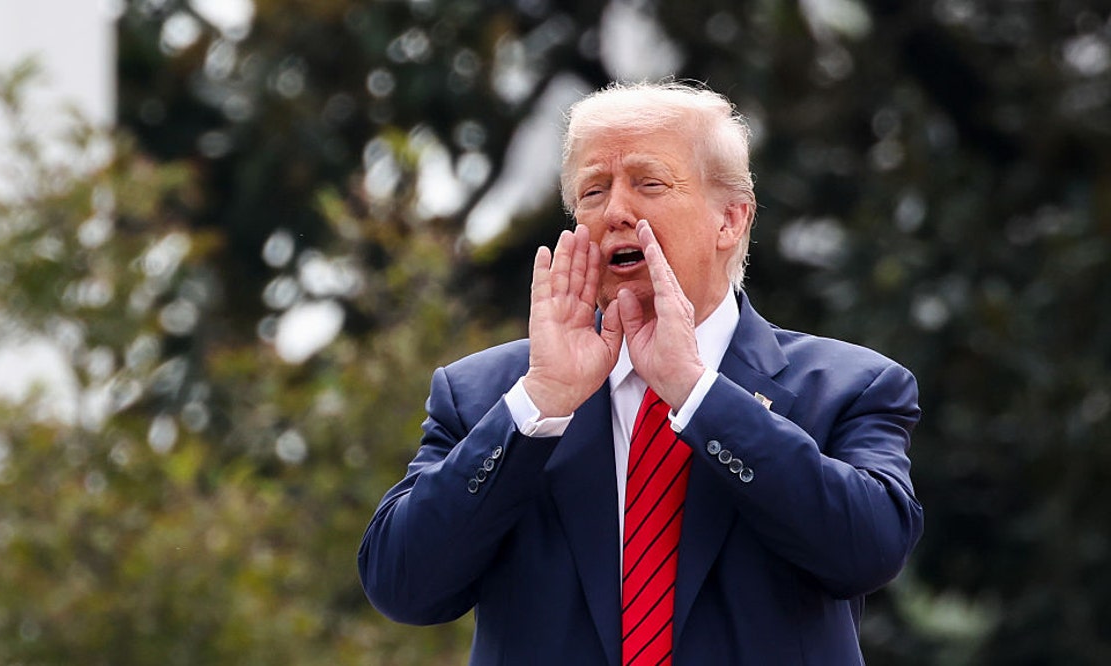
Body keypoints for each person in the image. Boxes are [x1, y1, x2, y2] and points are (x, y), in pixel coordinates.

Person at [359, 80, 922, 665]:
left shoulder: (851, 386)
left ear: (730, 220)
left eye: (649, 183)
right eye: (593, 191)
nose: (616, 213)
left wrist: (698, 394)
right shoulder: (486, 396)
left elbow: (869, 551)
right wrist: (540, 404)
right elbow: (403, 586)